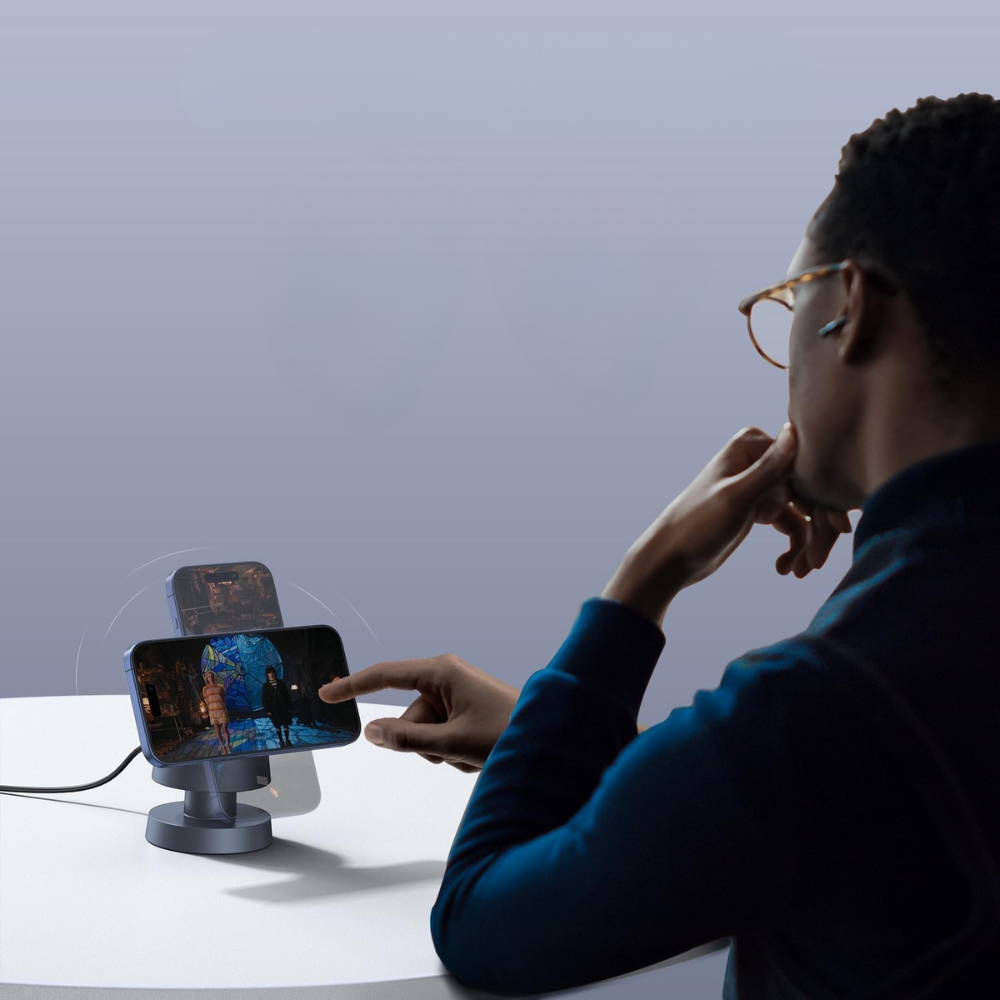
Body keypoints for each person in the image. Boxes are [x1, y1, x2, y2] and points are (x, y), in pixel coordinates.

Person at [319, 93, 1000, 997]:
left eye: (789, 301)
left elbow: (483, 922)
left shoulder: (816, 708)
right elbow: (841, 829)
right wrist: (548, 734)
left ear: (853, 308)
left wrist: (646, 576)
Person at [201, 670, 232, 755]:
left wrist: (220, 704)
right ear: (206, 678)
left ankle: (228, 745)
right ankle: (222, 746)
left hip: (221, 709)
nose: (210, 678)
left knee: (225, 728)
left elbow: (224, 698)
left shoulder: (220, 687)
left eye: (211, 676)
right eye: (208, 677)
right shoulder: (205, 689)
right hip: (212, 711)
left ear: (214, 677)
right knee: (217, 730)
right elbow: (206, 700)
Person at [261, 666, 293, 747]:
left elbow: (287, 695)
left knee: (285, 724)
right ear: (267, 674)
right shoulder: (266, 685)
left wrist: (290, 707)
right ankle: (281, 741)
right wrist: (267, 709)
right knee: (277, 725)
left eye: (272, 672)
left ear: (275, 672)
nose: (271, 674)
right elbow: (264, 698)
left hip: (284, 707)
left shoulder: (281, 683)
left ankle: (287, 740)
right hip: (274, 708)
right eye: (269, 672)